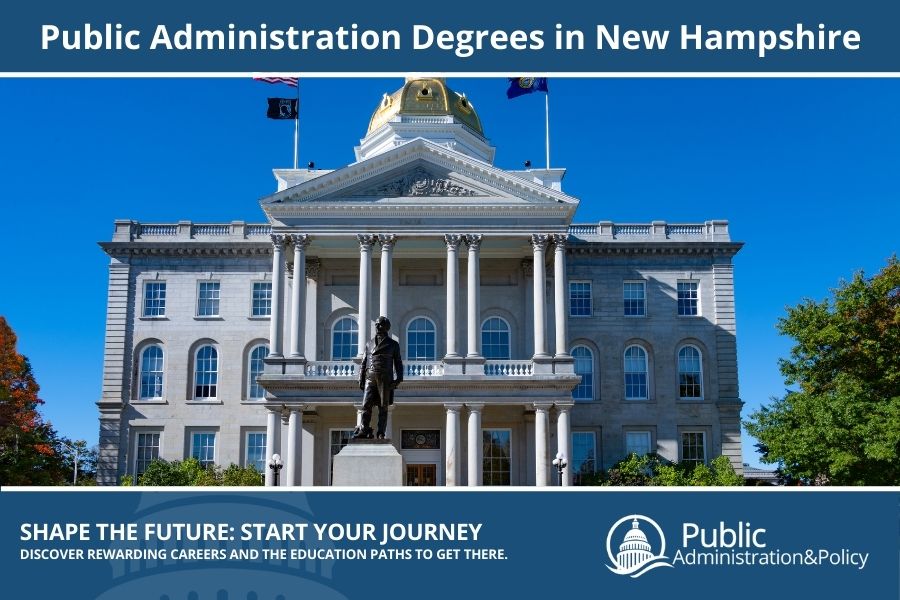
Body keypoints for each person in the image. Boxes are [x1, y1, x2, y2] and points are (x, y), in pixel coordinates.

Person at [354, 316, 403, 439]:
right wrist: (361, 378)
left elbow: (398, 362)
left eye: (380, 324)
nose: (377, 326)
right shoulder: (369, 343)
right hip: (370, 377)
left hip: (385, 378)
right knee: (366, 405)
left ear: (386, 327)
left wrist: (399, 379)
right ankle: (364, 430)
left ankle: (381, 432)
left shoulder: (393, 344)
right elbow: (364, 362)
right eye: (376, 324)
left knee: (383, 407)